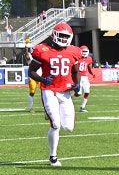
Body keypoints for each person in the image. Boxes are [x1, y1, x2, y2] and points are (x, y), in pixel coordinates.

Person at [28, 22, 82, 167]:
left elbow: (76, 71)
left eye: (66, 36)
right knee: (56, 124)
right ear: (54, 35)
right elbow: (31, 71)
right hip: (49, 89)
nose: (64, 39)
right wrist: (41, 79)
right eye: (61, 35)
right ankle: (53, 157)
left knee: (69, 128)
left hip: (65, 92)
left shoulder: (73, 51)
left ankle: (49, 113)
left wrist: (77, 84)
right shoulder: (42, 50)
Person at [76, 46, 95, 112]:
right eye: (83, 51)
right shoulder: (77, 58)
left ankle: (82, 107)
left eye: (85, 51)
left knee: (87, 91)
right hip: (78, 77)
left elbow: (89, 67)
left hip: (85, 77)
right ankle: (69, 98)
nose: (84, 53)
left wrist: (92, 73)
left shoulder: (89, 58)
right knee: (78, 93)